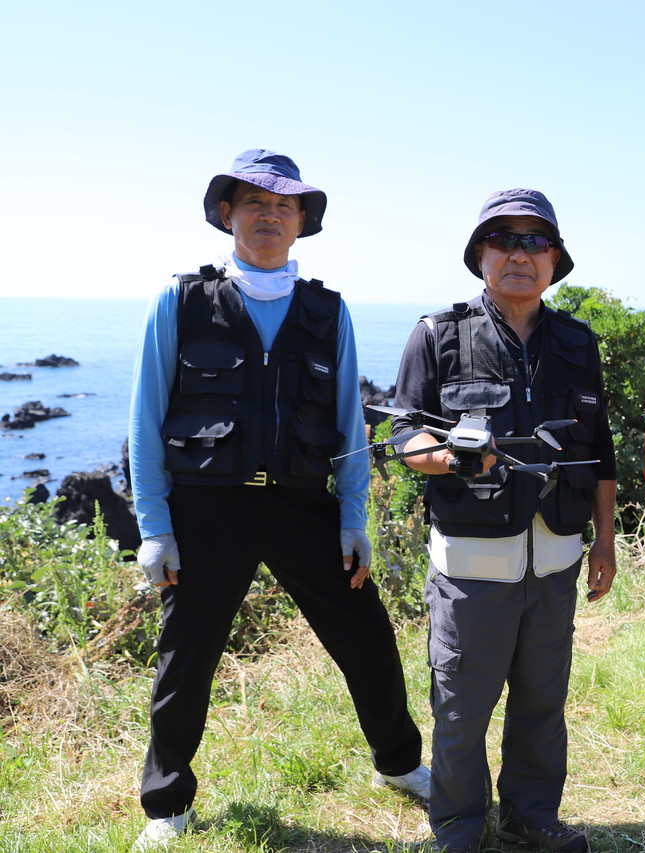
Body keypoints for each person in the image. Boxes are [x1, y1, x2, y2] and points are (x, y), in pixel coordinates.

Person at [128, 150, 429, 850]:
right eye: (254, 202)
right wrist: (154, 526)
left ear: (301, 221)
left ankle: (401, 763)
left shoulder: (329, 310)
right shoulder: (181, 299)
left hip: (303, 506)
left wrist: (353, 517)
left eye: (284, 205)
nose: (269, 214)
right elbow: (145, 417)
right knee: (185, 658)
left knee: (368, 636)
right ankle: (166, 803)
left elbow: (350, 425)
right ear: (226, 213)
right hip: (205, 509)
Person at [391, 189, 616, 853]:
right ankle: (458, 827)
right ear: (480, 255)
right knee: (461, 707)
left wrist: (605, 540)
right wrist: (447, 458)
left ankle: (531, 817)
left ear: (555, 259)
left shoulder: (578, 342)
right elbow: (404, 433)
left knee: (543, 702)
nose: (520, 254)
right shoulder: (438, 334)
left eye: (534, 241)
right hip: (470, 565)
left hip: (556, 559)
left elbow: (600, 449)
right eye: (504, 240)